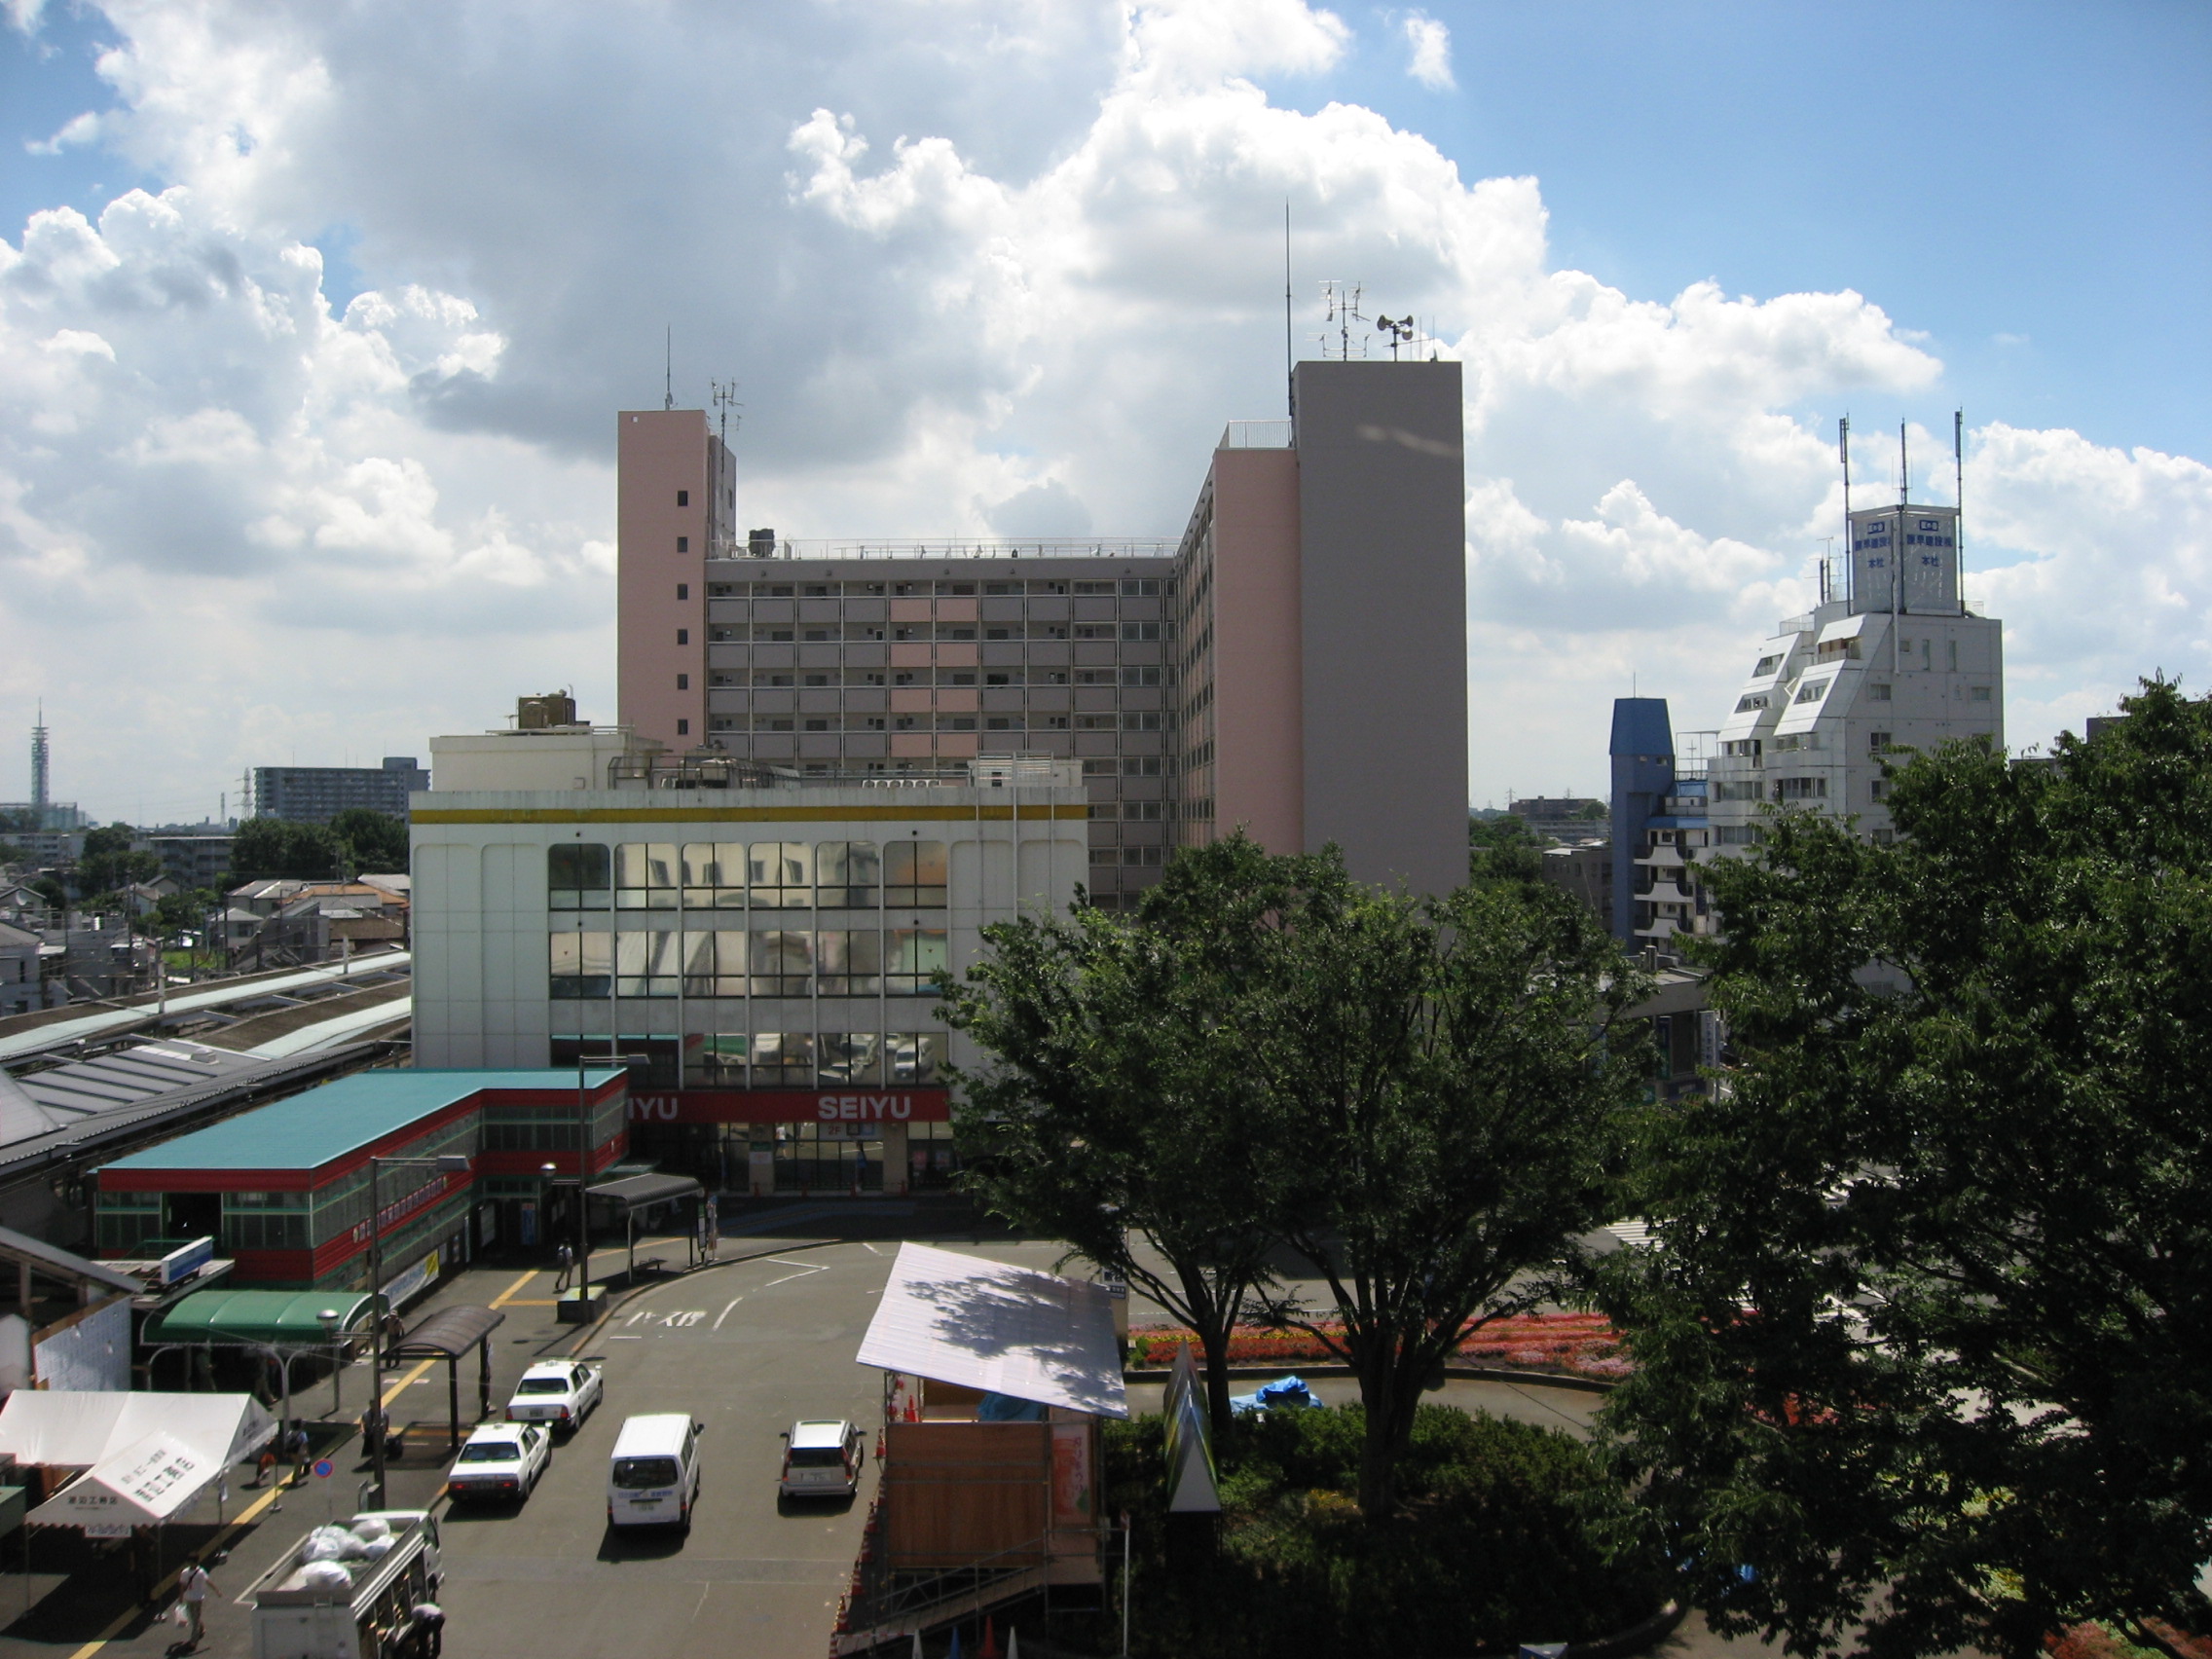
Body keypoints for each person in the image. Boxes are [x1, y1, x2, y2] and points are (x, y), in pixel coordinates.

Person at [176, 1560, 212, 1647]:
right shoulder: (185, 1572)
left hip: (198, 1598)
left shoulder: (201, 1572)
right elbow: (182, 1585)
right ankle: (201, 1627)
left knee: (195, 1620)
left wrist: (216, 1590)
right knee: (192, 1617)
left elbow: (207, 1581)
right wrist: (181, 1597)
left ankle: (193, 1640)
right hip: (189, 1598)